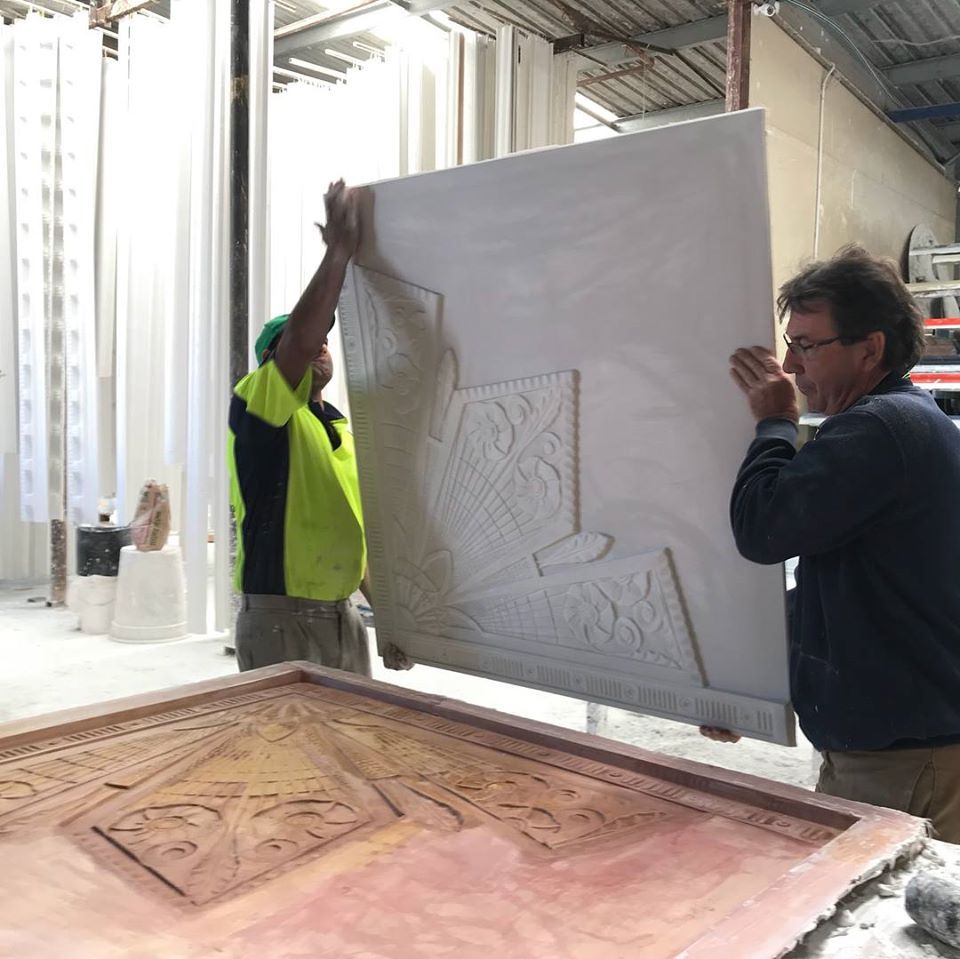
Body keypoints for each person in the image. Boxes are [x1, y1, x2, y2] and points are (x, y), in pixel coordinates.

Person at [717, 244, 960, 843]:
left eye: (806, 345)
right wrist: (749, 685)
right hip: (901, 749)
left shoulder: (879, 430)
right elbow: (836, 590)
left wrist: (774, 421)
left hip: (905, 762)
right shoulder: (902, 424)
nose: (790, 366)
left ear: (869, 348)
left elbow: (762, 527)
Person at [228, 179, 374, 675]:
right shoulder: (259, 408)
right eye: (305, 343)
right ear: (271, 362)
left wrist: (396, 620)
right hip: (280, 617)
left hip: (342, 615)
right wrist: (338, 254)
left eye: (325, 343)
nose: (319, 347)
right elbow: (300, 341)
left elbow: (355, 537)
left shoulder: (340, 432)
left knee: (353, 726)